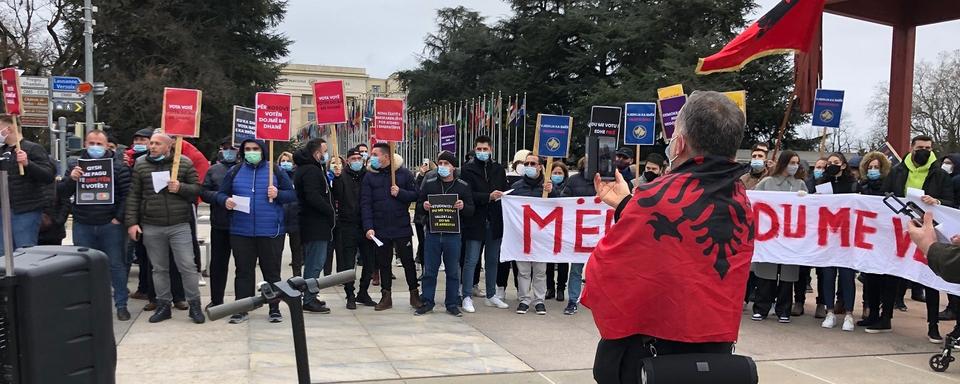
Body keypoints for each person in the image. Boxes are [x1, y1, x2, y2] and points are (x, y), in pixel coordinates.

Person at [583, 91, 754, 384]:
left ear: (681, 143)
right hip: (715, 350)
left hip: (652, 353)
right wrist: (627, 204)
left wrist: (634, 206)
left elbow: (603, 275)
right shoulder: (740, 199)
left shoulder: (655, 195)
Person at [125, 133, 204, 324]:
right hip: (152, 225)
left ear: (169, 146)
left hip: (179, 225)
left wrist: (181, 188)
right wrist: (132, 223)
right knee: (159, 269)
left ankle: (194, 305)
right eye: (151, 143)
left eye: (157, 143)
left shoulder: (183, 163)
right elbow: (134, 195)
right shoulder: (141, 164)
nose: (152, 146)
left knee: (187, 266)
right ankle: (163, 305)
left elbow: (198, 189)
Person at [883, 135, 955, 343]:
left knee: (929, 277)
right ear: (911, 148)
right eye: (920, 147)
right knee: (893, 272)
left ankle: (933, 326)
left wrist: (937, 201)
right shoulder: (897, 171)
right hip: (900, 229)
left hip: (928, 232)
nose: (925, 150)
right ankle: (885, 317)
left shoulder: (939, 175)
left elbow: (950, 202)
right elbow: (884, 193)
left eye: (928, 148)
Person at [216, 139, 295, 323]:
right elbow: (221, 193)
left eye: (255, 149)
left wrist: (278, 194)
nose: (252, 152)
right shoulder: (234, 171)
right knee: (243, 271)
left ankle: (274, 308)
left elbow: (291, 194)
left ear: (263, 151)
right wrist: (224, 201)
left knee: (272, 272)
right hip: (241, 231)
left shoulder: (275, 170)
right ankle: (242, 308)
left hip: (270, 231)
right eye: (248, 149)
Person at [61, 130, 133, 321]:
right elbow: (61, 192)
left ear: (107, 145)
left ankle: (121, 304)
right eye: (91, 143)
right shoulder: (75, 166)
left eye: (99, 144)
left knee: (116, 265)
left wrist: (118, 218)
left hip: (110, 225)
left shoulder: (118, 167)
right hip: (83, 223)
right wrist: (71, 179)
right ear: (85, 144)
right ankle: (88, 305)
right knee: (85, 266)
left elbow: (127, 195)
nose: (95, 147)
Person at [361, 142, 422, 311]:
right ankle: (386, 296)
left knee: (408, 262)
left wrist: (400, 193)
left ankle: (414, 294)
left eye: (375, 154)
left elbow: (417, 194)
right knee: (384, 263)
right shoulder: (370, 176)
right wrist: (368, 226)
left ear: (386, 156)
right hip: (380, 228)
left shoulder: (403, 174)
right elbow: (365, 203)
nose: (371, 158)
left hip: (401, 226)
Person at [750, 150, 806, 324]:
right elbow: (752, 199)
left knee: (788, 274)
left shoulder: (800, 184)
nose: (794, 166)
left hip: (790, 238)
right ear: (783, 163)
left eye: (796, 163)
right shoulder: (767, 182)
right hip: (770, 236)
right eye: (791, 162)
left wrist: (808, 199)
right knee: (767, 272)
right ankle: (761, 308)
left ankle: (784, 309)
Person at [416, 151, 474, 316]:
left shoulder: (462, 186)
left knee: (453, 271)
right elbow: (419, 205)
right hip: (433, 234)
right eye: (440, 163)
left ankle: (452, 303)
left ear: (453, 167)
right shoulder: (430, 184)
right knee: (430, 271)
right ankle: (427, 301)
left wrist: (463, 207)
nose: (442, 167)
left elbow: (471, 210)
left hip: (453, 235)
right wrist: (424, 206)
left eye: (446, 164)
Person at [459, 136, 511, 311]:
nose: (482, 152)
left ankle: (491, 295)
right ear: (475, 150)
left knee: (492, 260)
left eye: (485, 149)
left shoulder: (498, 169)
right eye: (479, 149)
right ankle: (466, 295)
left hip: (495, 220)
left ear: (491, 150)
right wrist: (488, 196)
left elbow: (505, 192)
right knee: (471, 260)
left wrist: (501, 195)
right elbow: (467, 194)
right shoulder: (467, 170)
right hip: (475, 220)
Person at [815, 152, 860, 332]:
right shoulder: (822, 185)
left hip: (847, 239)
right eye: (829, 163)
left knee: (847, 276)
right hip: (827, 237)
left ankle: (849, 314)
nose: (832, 165)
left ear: (843, 165)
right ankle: (830, 312)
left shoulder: (853, 185)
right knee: (827, 275)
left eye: (836, 162)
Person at [855, 151, 899, 332]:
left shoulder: (891, 187)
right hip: (870, 240)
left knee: (888, 280)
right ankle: (872, 314)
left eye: (876, 167)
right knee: (871, 278)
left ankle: (886, 317)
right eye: (870, 167)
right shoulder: (862, 188)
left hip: (887, 240)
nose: (873, 170)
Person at [0, 114, 56, 250]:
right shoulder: (2, 150)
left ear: (8, 129)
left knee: (23, 251)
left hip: (25, 210)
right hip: (4, 210)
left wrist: (27, 164)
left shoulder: (32, 148)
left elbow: (48, 176)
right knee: (3, 253)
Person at [293, 139, 336, 314]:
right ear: (316, 153)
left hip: (315, 222)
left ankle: (311, 294)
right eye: (324, 151)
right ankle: (309, 298)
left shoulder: (312, 168)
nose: (326, 155)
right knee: (315, 262)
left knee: (314, 261)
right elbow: (312, 196)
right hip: (314, 223)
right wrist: (330, 210)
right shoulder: (310, 170)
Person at [332, 147, 378, 309]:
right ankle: (350, 294)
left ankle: (363, 292)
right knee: (348, 262)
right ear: (348, 161)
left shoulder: (369, 176)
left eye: (359, 159)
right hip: (348, 225)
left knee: (369, 261)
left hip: (366, 225)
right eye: (353, 159)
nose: (357, 162)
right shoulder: (341, 177)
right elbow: (336, 196)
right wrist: (336, 179)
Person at [511, 153, 556, 315]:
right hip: (522, 235)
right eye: (526, 163)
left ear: (540, 167)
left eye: (532, 163)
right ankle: (524, 299)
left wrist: (552, 192)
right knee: (522, 270)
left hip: (541, 237)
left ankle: (539, 301)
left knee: (540, 271)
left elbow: (561, 205)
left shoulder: (547, 187)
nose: (529, 166)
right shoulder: (517, 187)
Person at [200, 137, 239, 308]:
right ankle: (216, 300)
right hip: (220, 223)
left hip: (242, 225)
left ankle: (242, 301)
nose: (229, 150)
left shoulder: (246, 169)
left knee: (243, 266)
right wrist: (219, 198)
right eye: (226, 147)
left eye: (233, 148)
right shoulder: (214, 170)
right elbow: (204, 192)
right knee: (218, 265)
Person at [558, 157, 596, 315]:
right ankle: (573, 300)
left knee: (597, 270)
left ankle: (596, 300)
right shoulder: (573, 181)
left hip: (597, 232)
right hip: (578, 232)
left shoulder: (605, 180)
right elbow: (563, 200)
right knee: (575, 269)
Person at [545, 162, 569, 302]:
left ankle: (561, 288)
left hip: (565, 228)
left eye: (560, 173)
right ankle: (550, 288)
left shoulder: (568, 187)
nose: (557, 175)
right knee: (548, 260)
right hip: (549, 228)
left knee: (562, 260)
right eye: (555, 173)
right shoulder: (545, 188)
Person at [277, 151, 304, 276]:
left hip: (295, 217)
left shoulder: (298, 176)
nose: (285, 163)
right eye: (283, 161)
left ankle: (297, 278)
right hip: (279, 218)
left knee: (297, 252)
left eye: (288, 161)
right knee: (276, 252)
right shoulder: (275, 177)